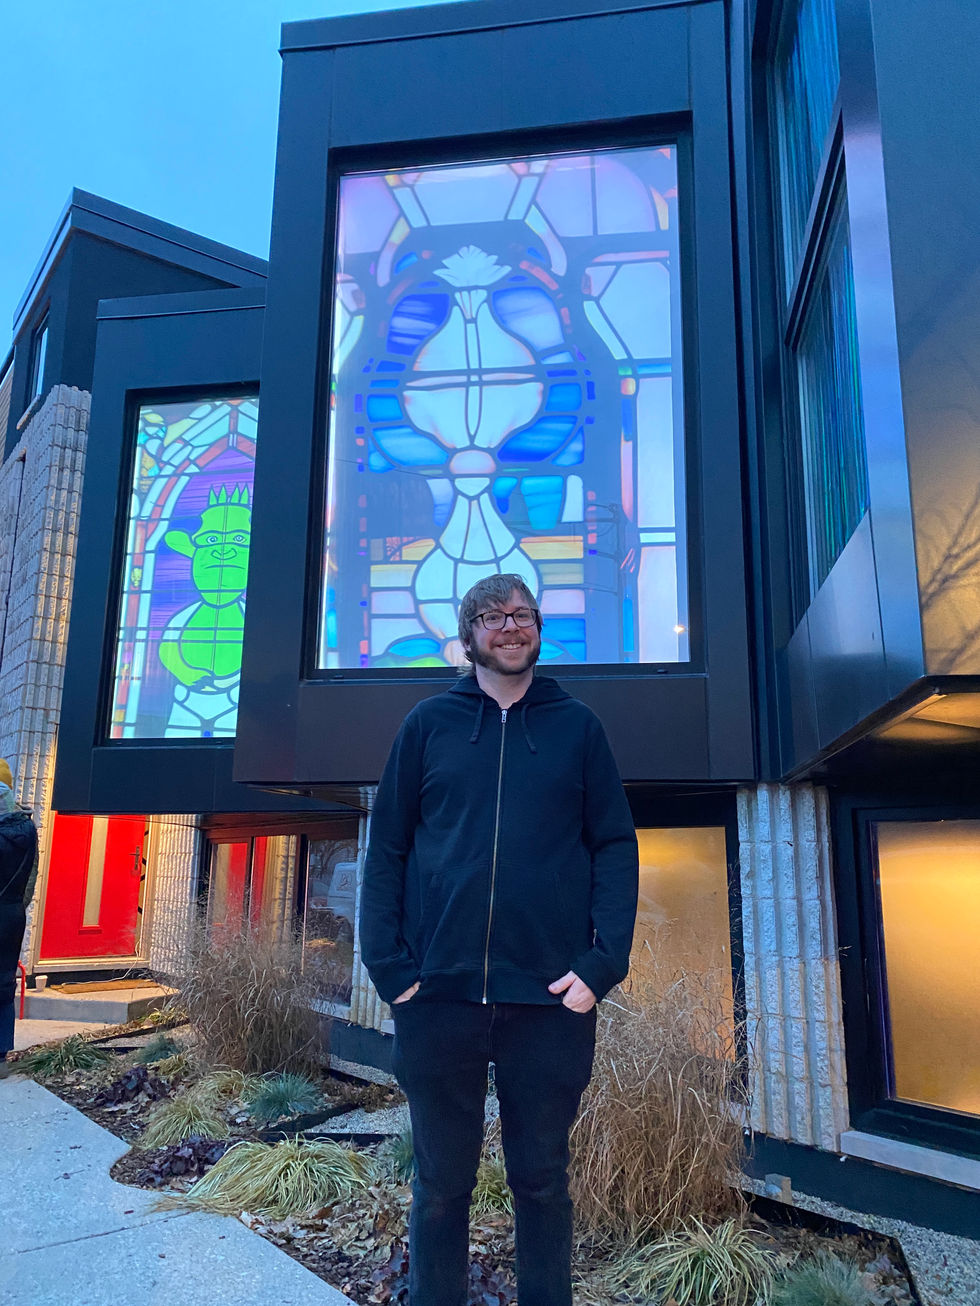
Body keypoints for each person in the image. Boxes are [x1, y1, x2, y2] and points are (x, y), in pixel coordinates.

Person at [360, 573, 638, 1306]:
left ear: (538, 628)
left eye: (522, 614)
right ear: (469, 634)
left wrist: (599, 966)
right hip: (438, 997)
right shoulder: (427, 726)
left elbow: (613, 845)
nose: (510, 626)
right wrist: (393, 970)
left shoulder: (578, 728)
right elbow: (386, 848)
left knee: (542, 1183)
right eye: (492, 615)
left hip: (549, 1001)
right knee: (442, 1187)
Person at [0, 759, 39, 1076]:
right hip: (12, 914)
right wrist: (16, 907)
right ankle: (0, 1054)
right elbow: (30, 880)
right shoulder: (27, 830)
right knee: (3, 981)